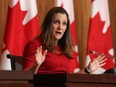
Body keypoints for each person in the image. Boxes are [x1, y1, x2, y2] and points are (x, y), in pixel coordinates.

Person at [23, 7, 106, 74]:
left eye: (64, 23)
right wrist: (36, 65)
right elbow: (24, 77)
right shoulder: (35, 45)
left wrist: (88, 70)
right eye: (56, 22)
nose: (60, 27)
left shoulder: (63, 48)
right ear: (48, 24)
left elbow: (68, 80)